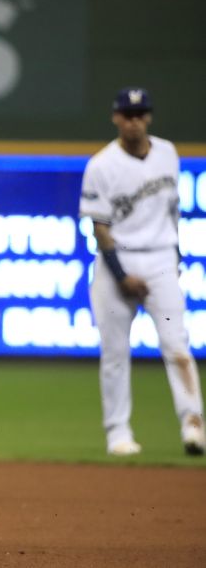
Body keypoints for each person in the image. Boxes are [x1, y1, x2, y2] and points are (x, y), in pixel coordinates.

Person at [79, 88, 205, 457]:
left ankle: (193, 424)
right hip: (117, 263)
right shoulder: (101, 165)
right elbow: (99, 227)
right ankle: (118, 434)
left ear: (148, 117)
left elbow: (172, 209)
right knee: (115, 353)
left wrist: (176, 254)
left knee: (177, 345)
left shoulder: (167, 152)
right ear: (116, 117)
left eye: (140, 114)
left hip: (161, 260)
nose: (134, 120)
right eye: (127, 114)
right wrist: (121, 275)